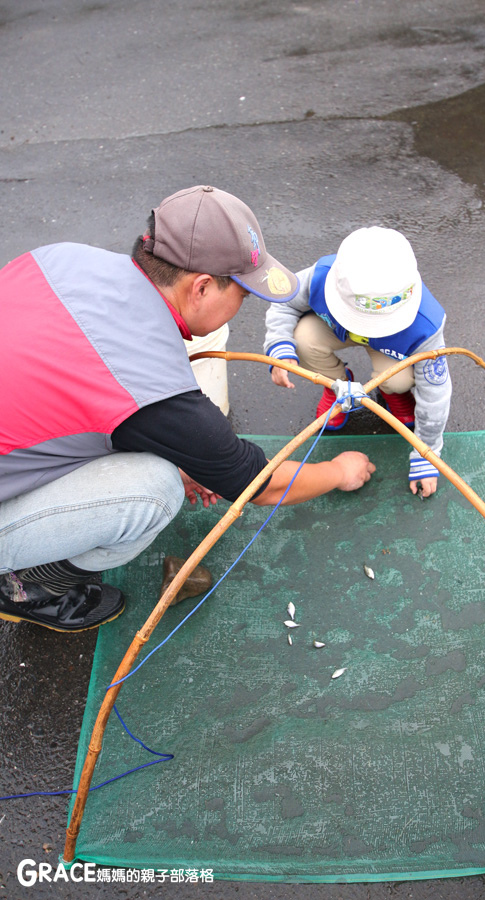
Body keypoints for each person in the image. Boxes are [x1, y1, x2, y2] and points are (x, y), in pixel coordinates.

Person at [0, 186, 375, 633]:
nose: (242, 307)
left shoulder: (63, 258)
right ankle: (26, 586)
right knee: (155, 490)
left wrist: (178, 447)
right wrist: (338, 470)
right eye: (243, 295)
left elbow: (57, 393)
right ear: (200, 288)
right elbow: (260, 484)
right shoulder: (153, 388)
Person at [264, 226, 451, 497]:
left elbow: (435, 393)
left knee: (399, 378)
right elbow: (284, 302)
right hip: (334, 328)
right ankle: (337, 384)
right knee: (302, 339)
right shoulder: (321, 276)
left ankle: (391, 391)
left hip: (392, 348)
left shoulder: (426, 324)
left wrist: (427, 454)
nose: (369, 328)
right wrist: (280, 349)